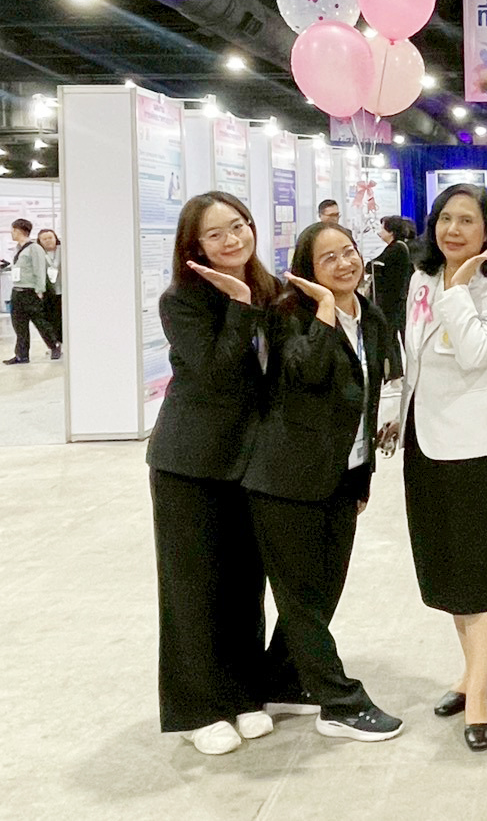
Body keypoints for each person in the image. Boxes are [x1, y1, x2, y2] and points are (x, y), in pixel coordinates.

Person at [243, 222, 404, 743]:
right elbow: (303, 374)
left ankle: (280, 680)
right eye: (328, 257)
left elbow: (371, 396)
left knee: (323, 591)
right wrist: (326, 312)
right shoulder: (288, 315)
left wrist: (363, 475)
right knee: (301, 600)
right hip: (285, 479)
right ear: (307, 270)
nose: (344, 263)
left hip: (343, 475)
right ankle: (339, 702)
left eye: (349, 251)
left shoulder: (371, 316)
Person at [145, 191, 279, 756]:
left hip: (250, 462)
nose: (232, 239)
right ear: (194, 246)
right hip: (189, 464)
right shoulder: (182, 301)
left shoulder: (271, 289)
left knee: (245, 583)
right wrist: (240, 305)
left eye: (239, 225)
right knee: (193, 587)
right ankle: (197, 708)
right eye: (216, 233)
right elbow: (215, 373)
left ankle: (244, 693)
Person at [395, 184, 487, 752]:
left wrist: (457, 291)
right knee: (448, 570)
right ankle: (474, 672)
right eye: (445, 218)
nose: (453, 230)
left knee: (483, 571)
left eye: (466, 220)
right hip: (426, 443)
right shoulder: (420, 279)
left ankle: (479, 695)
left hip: (481, 447)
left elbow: (473, 353)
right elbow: (414, 358)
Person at [3, 218, 61, 364]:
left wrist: (40, 290)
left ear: (19, 230)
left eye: (13, 230)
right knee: (19, 324)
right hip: (17, 290)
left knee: (40, 322)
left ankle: (54, 345)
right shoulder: (18, 248)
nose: (11, 233)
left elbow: (39, 270)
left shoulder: (34, 248)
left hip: (30, 291)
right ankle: (21, 355)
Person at [369, 215, 413, 349]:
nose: (380, 232)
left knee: (391, 336)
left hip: (393, 300)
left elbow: (372, 265)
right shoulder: (395, 248)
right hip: (394, 300)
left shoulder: (396, 248)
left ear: (391, 232)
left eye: (383, 229)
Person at [38, 229, 63, 343]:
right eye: (44, 239)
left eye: (50, 238)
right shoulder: (39, 253)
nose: (48, 241)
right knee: (50, 318)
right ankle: (55, 343)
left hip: (63, 290)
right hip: (48, 291)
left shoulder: (63, 250)